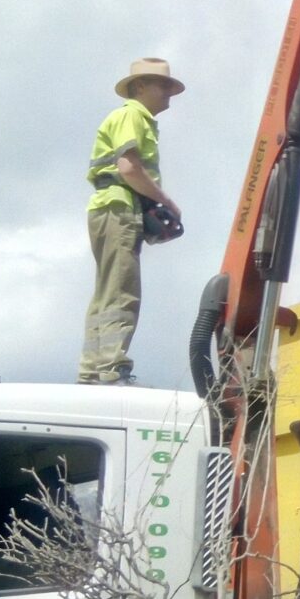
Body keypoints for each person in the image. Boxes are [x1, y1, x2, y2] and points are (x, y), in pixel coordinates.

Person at [79, 57, 185, 385]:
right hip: (119, 208)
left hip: (107, 208)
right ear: (139, 87)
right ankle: (111, 370)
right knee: (122, 293)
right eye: (161, 85)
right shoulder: (131, 115)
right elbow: (129, 168)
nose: (168, 92)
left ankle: (92, 371)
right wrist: (164, 200)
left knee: (106, 294)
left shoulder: (131, 117)